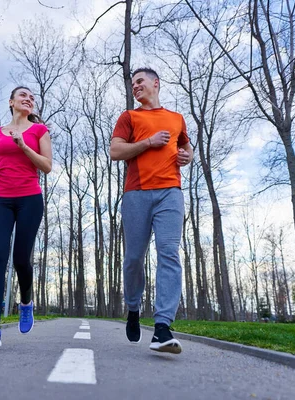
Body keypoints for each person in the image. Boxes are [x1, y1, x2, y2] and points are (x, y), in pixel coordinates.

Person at [110, 68, 193, 354]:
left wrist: (187, 155)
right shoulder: (129, 117)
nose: (135, 86)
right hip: (136, 194)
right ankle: (133, 307)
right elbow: (115, 151)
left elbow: (186, 145)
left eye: (140, 81)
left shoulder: (176, 118)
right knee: (134, 258)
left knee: (169, 252)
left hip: (171, 192)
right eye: (133, 84)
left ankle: (162, 327)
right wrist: (148, 142)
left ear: (155, 83)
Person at [0, 86, 52, 349]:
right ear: (11, 102)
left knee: (20, 260)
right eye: (23, 96)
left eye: (31, 97)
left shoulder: (39, 131)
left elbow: (46, 166)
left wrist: (24, 145)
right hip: (1, 199)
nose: (28, 99)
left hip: (30, 199)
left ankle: (26, 301)